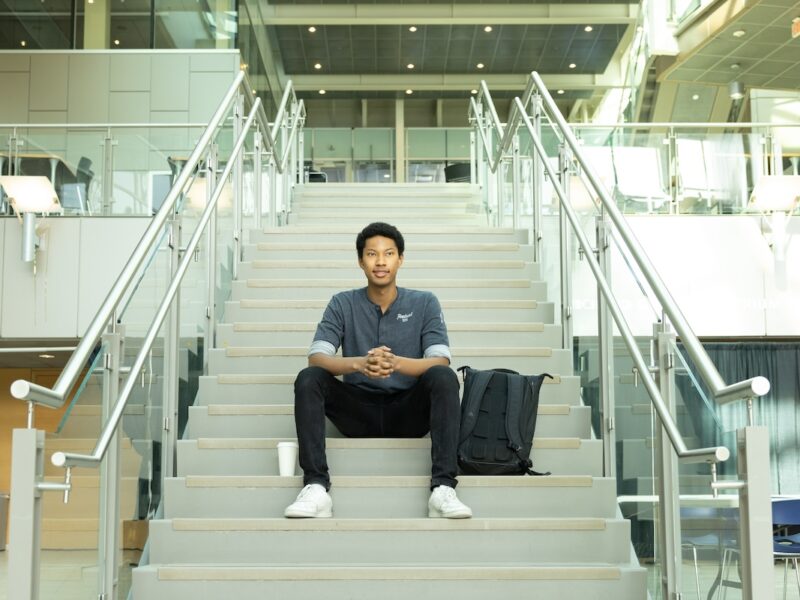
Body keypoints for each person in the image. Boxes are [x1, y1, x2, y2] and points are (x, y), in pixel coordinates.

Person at [285, 222, 472, 519]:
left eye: (389, 254)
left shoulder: (425, 302)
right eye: (372, 254)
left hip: (408, 412)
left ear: (401, 259)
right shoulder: (342, 303)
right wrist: (359, 363)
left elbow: (440, 360)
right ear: (361, 261)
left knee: (444, 377)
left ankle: (443, 488)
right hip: (357, 412)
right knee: (309, 378)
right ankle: (317, 487)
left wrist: (397, 364)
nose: (381, 261)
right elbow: (317, 356)